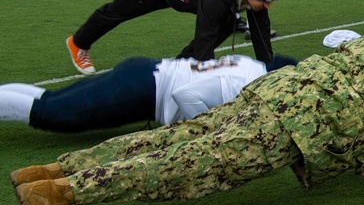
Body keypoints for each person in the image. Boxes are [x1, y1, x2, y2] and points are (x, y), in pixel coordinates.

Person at [12, 4, 364, 205]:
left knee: (171, 138)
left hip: (269, 94)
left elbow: (355, 97)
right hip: (289, 127)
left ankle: (51, 171)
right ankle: (60, 193)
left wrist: (357, 162)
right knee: (187, 165)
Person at [65, 0, 280, 75]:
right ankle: (79, 42)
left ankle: (179, 64)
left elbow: (261, 34)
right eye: (264, 2)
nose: (267, 6)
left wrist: (270, 72)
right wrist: (204, 78)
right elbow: (205, 39)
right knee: (118, 11)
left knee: (227, 24)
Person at [0, 54, 296, 132]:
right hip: (144, 90)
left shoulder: (251, 64)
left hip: (146, 76)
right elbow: (185, 95)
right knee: (51, 114)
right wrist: (210, 128)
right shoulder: (246, 80)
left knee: (50, 100)